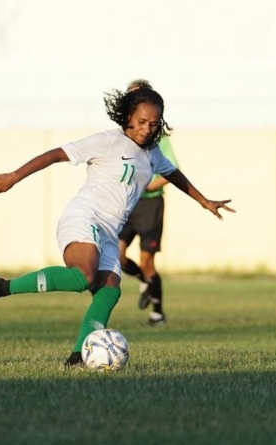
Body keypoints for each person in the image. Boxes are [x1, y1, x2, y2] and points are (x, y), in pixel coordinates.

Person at [0, 86, 235, 367]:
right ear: (128, 117)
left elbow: (173, 173)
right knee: (83, 276)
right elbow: (57, 154)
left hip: (109, 231)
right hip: (85, 216)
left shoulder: (152, 152)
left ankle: (76, 359)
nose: (147, 129)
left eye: (154, 124)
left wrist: (204, 201)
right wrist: (14, 176)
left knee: (110, 288)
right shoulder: (108, 141)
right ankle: (2, 286)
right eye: (142, 121)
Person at [118, 79, 178, 326]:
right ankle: (144, 281)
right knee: (117, 256)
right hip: (127, 204)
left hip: (150, 205)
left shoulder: (156, 135)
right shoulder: (121, 134)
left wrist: (143, 184)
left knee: (147, 261)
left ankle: (158, 313)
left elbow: (170, 172)